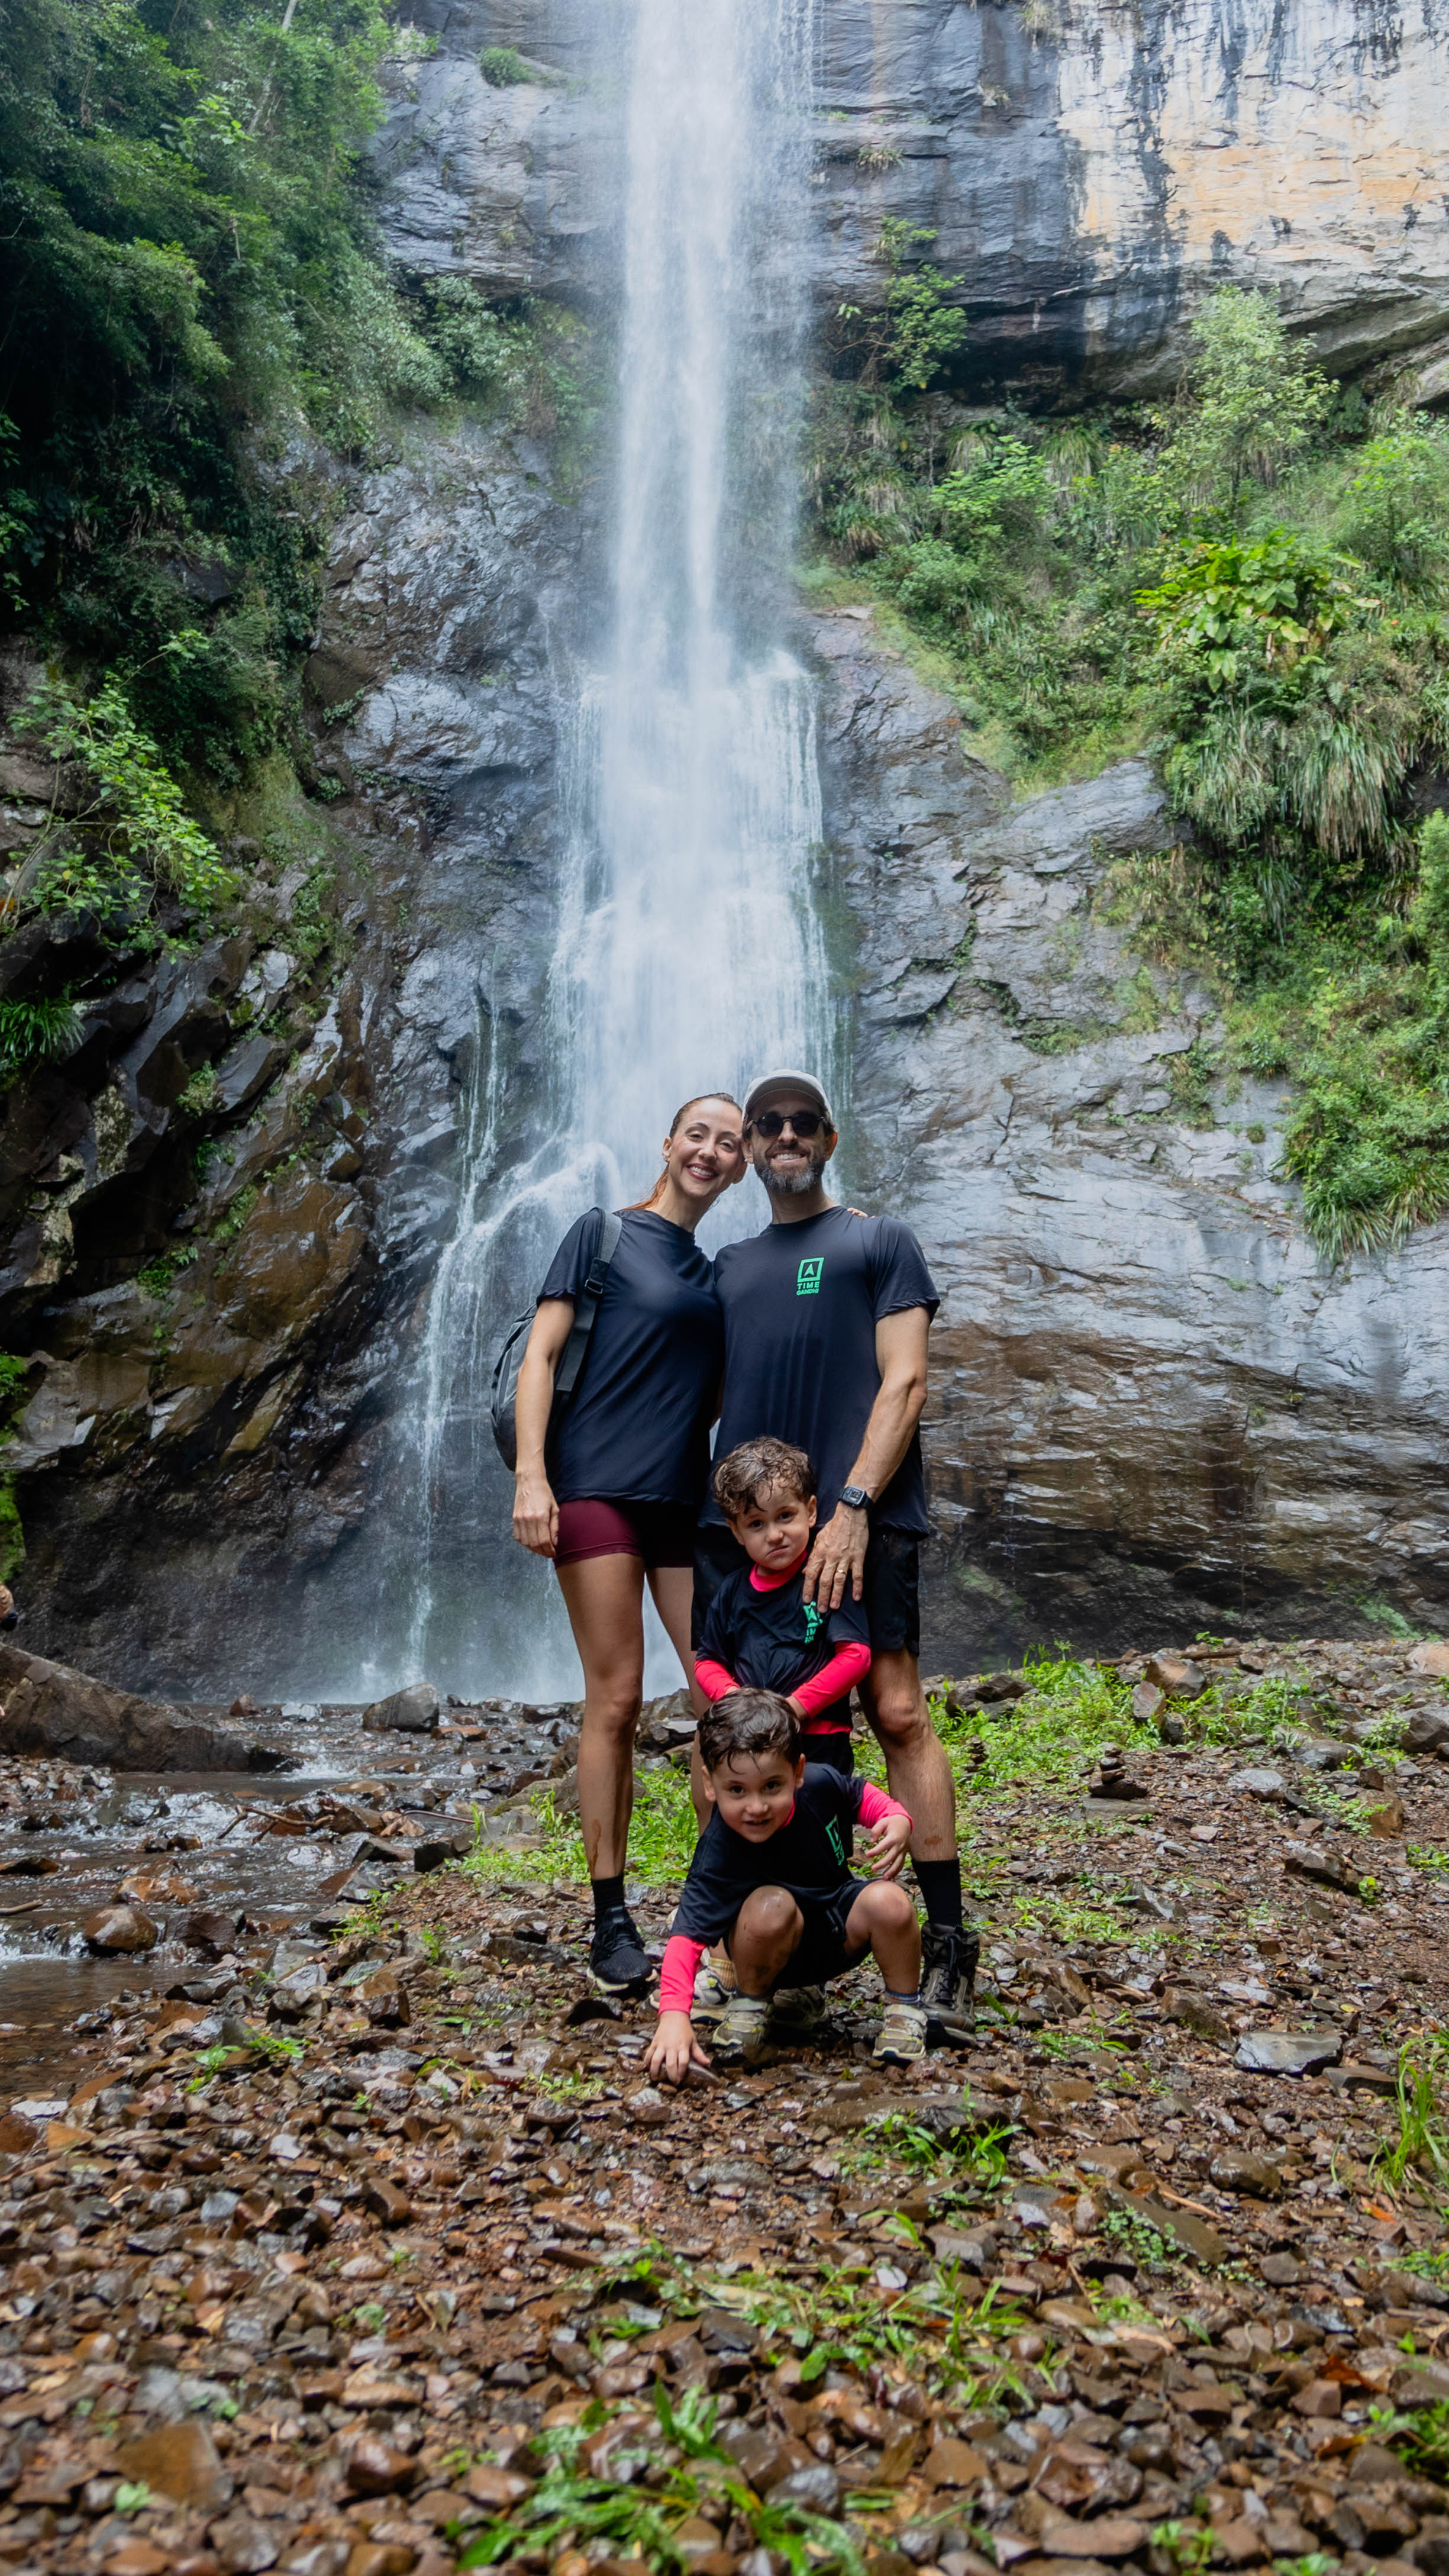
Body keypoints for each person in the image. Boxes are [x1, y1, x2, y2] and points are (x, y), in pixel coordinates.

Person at [694, 1068, 977, 2043]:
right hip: (754, 1530)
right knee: (741, 1723)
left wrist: (851, 1503)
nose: (783, 1134)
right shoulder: (726, 1265)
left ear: (827, 1134)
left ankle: (944, 1941)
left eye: (799, 1121)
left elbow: (904, 1382)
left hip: (861, 1511)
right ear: (745, 1146)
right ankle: (759, 1945)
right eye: (764, 1123)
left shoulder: (875, 1240)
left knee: (895, 1710)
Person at [512, 1094, 746, 1993]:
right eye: (700, 1134)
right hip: (598, 1490)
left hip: (685, 1502)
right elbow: (541, 1356)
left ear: (737, 1167)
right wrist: (532, 1476)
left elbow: (716, 1394)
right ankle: (610, 1921)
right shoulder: (601, 1233)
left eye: (729, 1144)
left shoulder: (715, 1272)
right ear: (669, 1142)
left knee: (719, 1697)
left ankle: (712, 1903)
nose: (712, 1151)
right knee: (615, 1697)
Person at [645, 1690, 925, 2078]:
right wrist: (673, 2016)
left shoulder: (818, 1783)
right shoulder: (718, 1848)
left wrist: (897, 1818)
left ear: (796, 1772)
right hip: (761, 1952)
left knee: (891, 1901)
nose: (756, 1806)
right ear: (710, 1785)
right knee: (768, 1905)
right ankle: (750, 2003)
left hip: (834, 1932)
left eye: (771, 1786)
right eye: (737, 1790)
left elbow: (862, 1796)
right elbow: (686, 1937)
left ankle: (904, 2010)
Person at [695, 1436, 870, 1770]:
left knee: (821, 1815)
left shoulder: (827, 1577)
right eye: (757, 1524)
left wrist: (793, 1709)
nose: (774, 1535)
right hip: (751, 1742)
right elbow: (707, 1662)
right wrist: (736, 1701)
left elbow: (856, 1656)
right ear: (736, 1532)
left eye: (785, 1516)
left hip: (820, 1736)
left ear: (811, 1511)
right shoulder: (731, 1592)